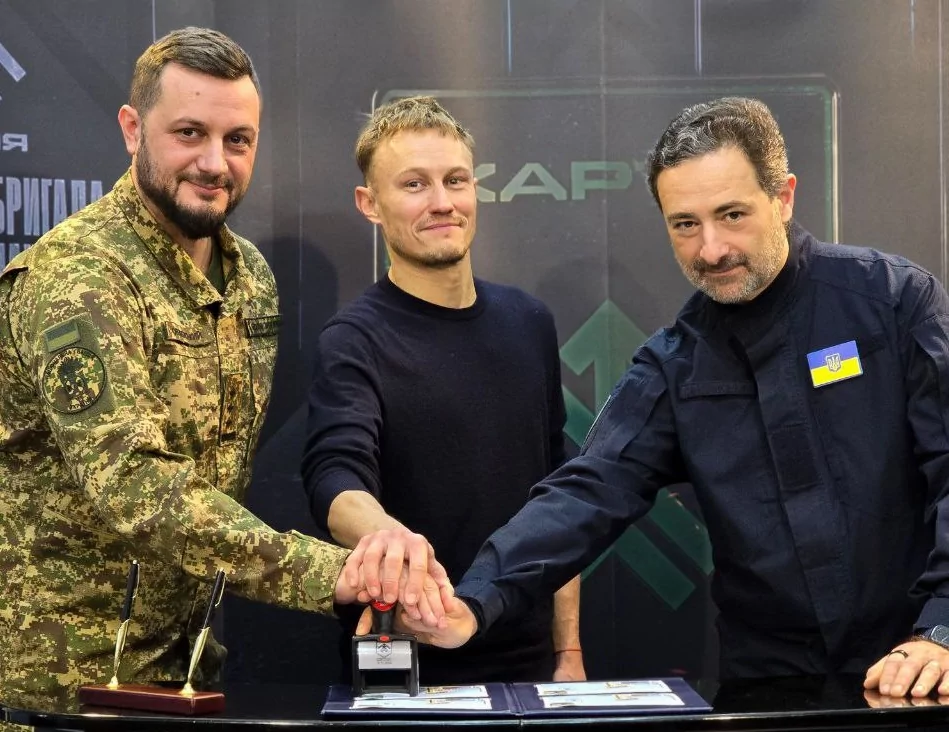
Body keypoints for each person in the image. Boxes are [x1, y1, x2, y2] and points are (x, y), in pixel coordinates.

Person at [391, 96, 949, 699]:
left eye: (731, 215)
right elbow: (588, 490)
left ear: (784, 198)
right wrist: (474, 601)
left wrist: (941, 630)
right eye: (685, 225)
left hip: (916, 666)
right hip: (766, 682)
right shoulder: (674, 361)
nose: (711, 249)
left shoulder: (890, 301)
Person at [0, 28, 447, 697]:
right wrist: (335, 574)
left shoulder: (249, 279)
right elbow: (138, 488)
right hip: (63, 685)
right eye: (189, 133)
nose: (215, 163)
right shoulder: (79, 278)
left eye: (237, 139)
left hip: (188, 671)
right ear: (132, 130)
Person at [301, 96, 585, 684]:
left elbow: (559, 496)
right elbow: (336, 477)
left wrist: (569, 653)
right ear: (370, 204)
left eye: (455, 180)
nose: (442, 202)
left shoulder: (529, 321)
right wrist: (397, 544)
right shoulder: (354, 339)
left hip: (528, 666)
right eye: (414, 184)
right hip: (404, 664)